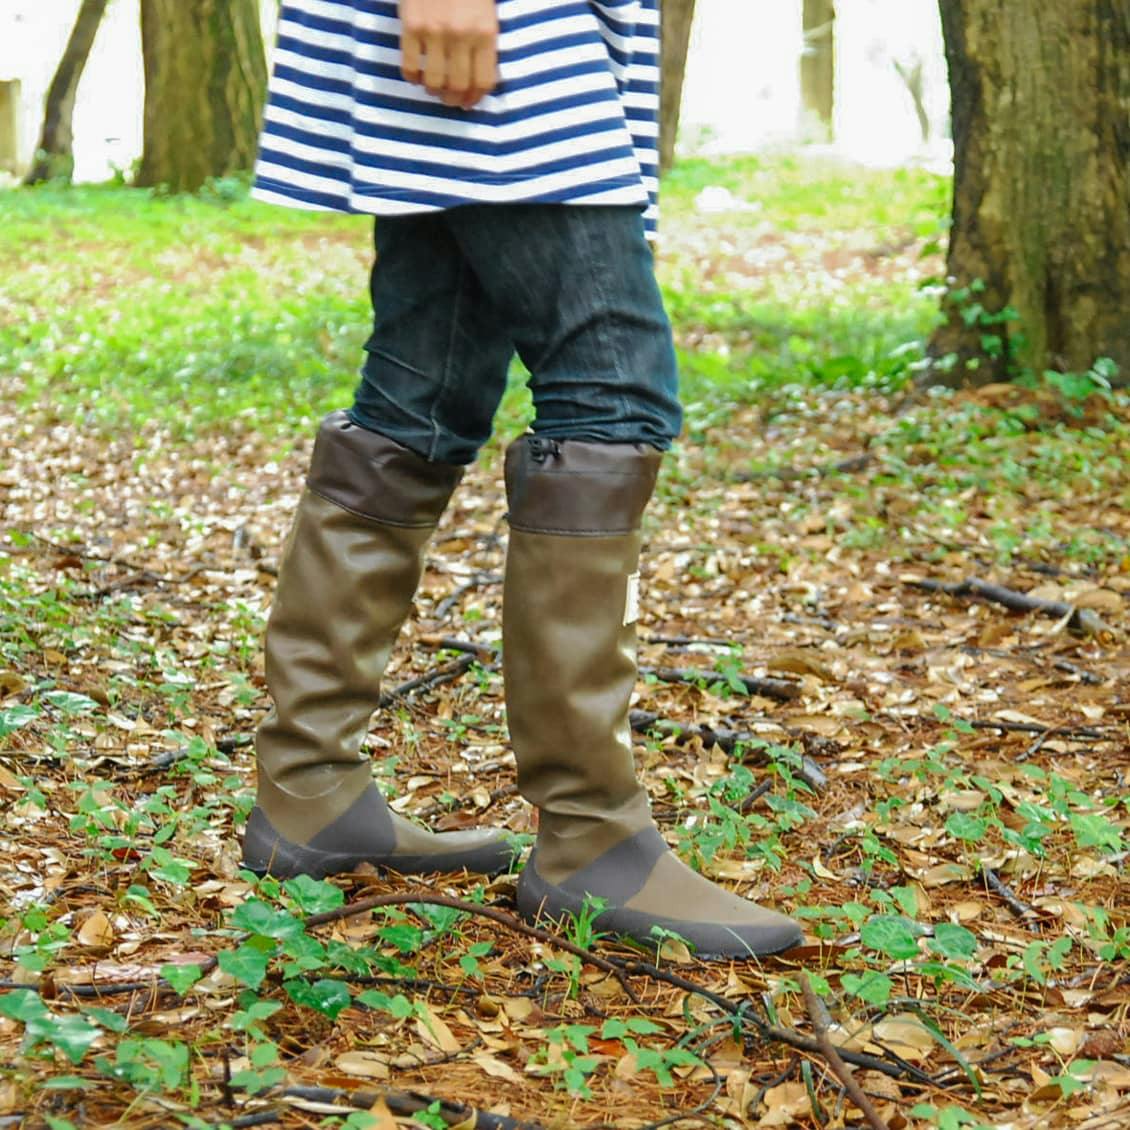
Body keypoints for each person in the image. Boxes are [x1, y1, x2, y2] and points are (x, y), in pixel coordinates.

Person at [242, 0, 801, 959]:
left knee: (423, 388)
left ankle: (311, 790)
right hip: (497, 26)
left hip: (501, 31)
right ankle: (591, 837)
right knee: (611, 389)